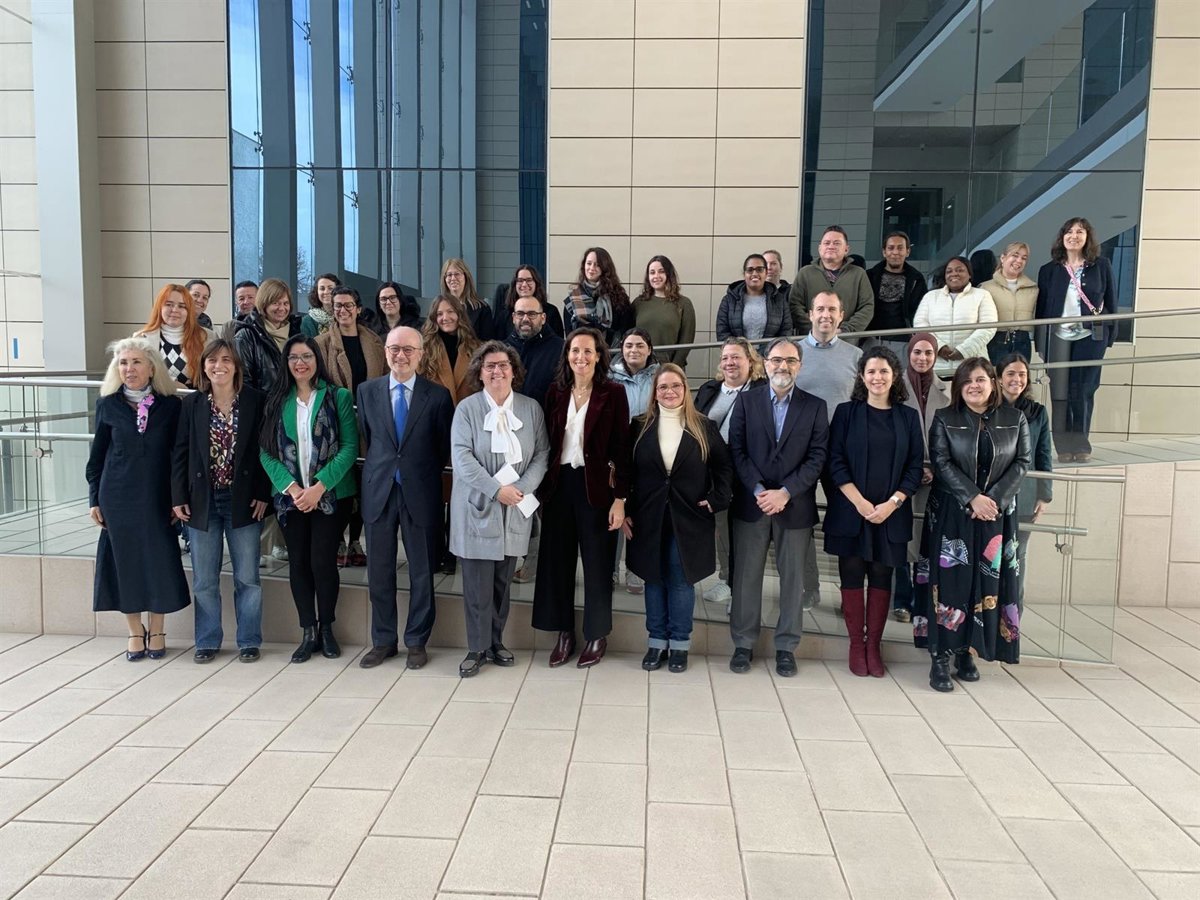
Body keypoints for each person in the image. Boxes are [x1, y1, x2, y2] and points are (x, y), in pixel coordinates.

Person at [916, 357, 1030, 692]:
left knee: (986, 584)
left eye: (980, 379)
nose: (974, 386)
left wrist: (992, 499)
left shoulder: (1015, 418)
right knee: (950, 584)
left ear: (993, 382)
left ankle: (968, 650)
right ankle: (940, 654)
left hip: (996, 515)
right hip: (953, 514)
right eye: (967, 382)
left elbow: (1023, 461)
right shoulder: (945, 417)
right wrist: (972, 498)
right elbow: (941, 461)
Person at [727, 337, 829, 677]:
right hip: (752, 502)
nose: (783, 366)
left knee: (793, 581)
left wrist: (785, 492)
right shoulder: (746, 401)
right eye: (776, 360)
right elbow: (737, 450)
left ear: (800, 365)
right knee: (746, 578)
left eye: (790, 360)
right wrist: (760, 490)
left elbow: (817, 457)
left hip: (794, 506)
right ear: (766, 363)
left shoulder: (815, 407)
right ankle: (743, 643)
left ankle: (786, 647)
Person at [449, 341, 550, 676]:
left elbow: (542, 454)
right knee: (477, 586)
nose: (497, 371)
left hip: (515, 507)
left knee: (502, 584)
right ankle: (476, 648)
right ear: (480, 372)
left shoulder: (531, 408)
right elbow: (462, 458)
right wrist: (496, 490)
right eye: (489, 366)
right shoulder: (466, 409)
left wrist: (520, 489)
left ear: (514, 371)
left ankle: (495, 642)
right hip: (479, 507)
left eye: (503, 365)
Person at [532, 327, 631, 669]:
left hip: (597, 490)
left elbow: (622, 448)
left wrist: (620, 499)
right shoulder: (555, 391)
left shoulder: (613, 392)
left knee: (598, 565)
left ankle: (596, 634)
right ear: (567, 355)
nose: (581, 357)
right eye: (575, 350)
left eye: (588, 351)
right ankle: (564, 633)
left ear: (599, 356)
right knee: (556, 564)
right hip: (559, 487)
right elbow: (546, 443)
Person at [356, 326, 454, 670]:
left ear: (420, 354)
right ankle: (383, 641)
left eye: (408, 349)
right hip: (379, 492)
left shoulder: (438, 396)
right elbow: (368, 438)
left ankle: (416, 641)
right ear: (385, 352)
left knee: (422, 572)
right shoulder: (366, 391)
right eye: (394, 348)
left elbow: (442, 447)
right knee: (379, 572)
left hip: (421, 492)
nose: (401, 355)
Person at [171, 332, 271, 663]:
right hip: (202, 500)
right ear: (203, 367)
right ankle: (207, 640)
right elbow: (180, 453)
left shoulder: (255, 401)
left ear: (236, 366)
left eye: (227, 359)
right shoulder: (192, 404)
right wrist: (178, 496)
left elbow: (266, 451)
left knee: (247, 577)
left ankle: (249, 640)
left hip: (244, 499)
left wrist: (262, 492)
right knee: (204, 579)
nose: (219, 365)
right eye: (212, 360)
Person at [625, 365, 732, 673]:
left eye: (675, 386)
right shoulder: (639, 425)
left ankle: (680, 644)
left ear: (685, 390)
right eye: (663, 387)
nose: (669, 391)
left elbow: (724, 468)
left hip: (690, 516)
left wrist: (716, 500)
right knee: (653, 578)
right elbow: (627, 471)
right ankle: (657, 641)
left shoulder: (703, 426)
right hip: (648, 516)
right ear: (654, 393)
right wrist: (626, 510)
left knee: (681, 578)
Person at [824, 347, 924, 677]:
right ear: (862, 376)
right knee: (852, 575)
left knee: (882, 576)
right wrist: (860, 503)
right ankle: (856, 645)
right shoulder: (845, 413)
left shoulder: (908, 417)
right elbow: (834, 461)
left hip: (891, 514)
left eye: (883, 371)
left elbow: (914, 468)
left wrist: (892, 503)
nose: (877, 377)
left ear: (894, 376)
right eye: (871, 371)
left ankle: (873, 646)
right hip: (851, 511)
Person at [88, 338, 189, 662]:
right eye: (123, 363)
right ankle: (134, 630)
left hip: (157, 497)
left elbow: (178, 457)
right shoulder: (107, 405)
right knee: (125, 563)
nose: (128, 369)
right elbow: (97, 458)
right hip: (117, 497)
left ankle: (157, 629)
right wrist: (94, 500)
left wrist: (178, 498)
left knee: (159, 560)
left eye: (135, 362)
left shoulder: (171, 406)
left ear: (151, 368)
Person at [259, 335, 359, 663]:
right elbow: (266, 451)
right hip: (291, 499)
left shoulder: (337, 397)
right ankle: (308, 631)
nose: (300, 363)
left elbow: (349, 448)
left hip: (330, 496)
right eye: (293, 358)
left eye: (306, 356)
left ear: (317, 359)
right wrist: (292, 489)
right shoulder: (276, 400)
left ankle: (327, 628)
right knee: (299, 563)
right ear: (286, 363)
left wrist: (318, 487)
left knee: (322, 562)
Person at [793, 291, 862, 612]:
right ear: (810, 314)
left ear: (841, 315)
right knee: (801, 522)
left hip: (842, 453)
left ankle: (849, 595)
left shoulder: (856, 356)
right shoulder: (793, 353)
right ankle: (810, 588)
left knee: (847, 521)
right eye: (820, 308)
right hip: (801, 452)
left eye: (832, 309)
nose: (826, 315)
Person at [1034, 217, 1118, 463]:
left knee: (1083, 390)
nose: (1074, 236)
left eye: (1080, 232)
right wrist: (1041, 344)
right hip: (1057, 337)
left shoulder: (1101, 265)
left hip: (1091, 336)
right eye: (1069, 232)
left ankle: (1081, 445)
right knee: (1060, 392)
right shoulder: (1049, 270)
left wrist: (1109, 337)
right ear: (1062, 237)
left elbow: (1111, 302)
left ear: (1087, 237)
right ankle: (1063, 447)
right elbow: (1042, 309)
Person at [315, 285, 388, 568]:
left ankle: (356, 540)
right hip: (334, 423)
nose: (343, 311)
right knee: (338, 481)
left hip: (368, 423)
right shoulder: (321, 343)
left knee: (362, 482)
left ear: (358, 309)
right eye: (338, 306)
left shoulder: (374, 342)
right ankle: (338, 540)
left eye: (348, 305)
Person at [694, 337, 766, 608]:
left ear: (751, 361)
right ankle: (727, 578)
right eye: (725, 358)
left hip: (747, 470)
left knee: (743, 532)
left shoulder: (761, 391)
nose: (730, 362)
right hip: (713, 471)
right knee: (721, 528)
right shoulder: (710, 389)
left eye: (736, 357)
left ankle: (741, 588)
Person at [893, 331, 950, 622]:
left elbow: (949, 438)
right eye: (917, 352)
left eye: (929, 353)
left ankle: (923, 600)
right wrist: (915, 468)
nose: (922, 358)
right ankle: (901, 599)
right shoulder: (894, 387)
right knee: (902, 539)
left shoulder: (947, 391)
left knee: (927, 540)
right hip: (901, 474)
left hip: (935, 478)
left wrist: (934, 469)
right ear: (909, 353)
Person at [997, 353, 1052, 613]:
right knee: (990, 556)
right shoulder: (987, 408)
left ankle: (1012, 616)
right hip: (993, 496)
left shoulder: (1038, 412)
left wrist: (1045, 495)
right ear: (999, 378)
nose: (1016, 379)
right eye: (1010, 373)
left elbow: (1044, 454)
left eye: (1021, 374)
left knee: (1016, 558)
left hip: (1025, 496)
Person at [609, 328, 660, 594]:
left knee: (640, 511)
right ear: (622, 349)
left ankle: (635, 570)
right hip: (617, 451)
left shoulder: (660, 375)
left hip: (649, 450)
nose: (634, 350)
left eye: (640, 345)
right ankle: (610, 569)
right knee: (614, 507)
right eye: (629, 345)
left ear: (649, 349)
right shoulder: (609, 376)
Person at [913, 256, 998, 378]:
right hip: (937, 367)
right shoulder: (930, 296)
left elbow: (988, 327)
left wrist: (964, 350)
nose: (954, 274)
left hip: (973, 367)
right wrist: (939, 347)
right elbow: (920, 324)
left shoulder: (982, 295)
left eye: (960, 270)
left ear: (969, 274)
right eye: (949, 271)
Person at [789, 225, 875, 338]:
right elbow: (795, 305)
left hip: (846, 340)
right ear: (819, 248)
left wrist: (846, 330)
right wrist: (815, 329)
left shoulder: (858, 274)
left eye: (836, 243)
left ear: (846, 249)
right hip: (811, 340)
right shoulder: (805, 273)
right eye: (827, 243)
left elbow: (867, 307)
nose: (831, 246)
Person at [234, 277, 304, 394]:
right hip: (263, 404)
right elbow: (243, 382)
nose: (282, 308)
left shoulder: (297, 332)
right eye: (276, 303)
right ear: (264, 304)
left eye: (285, 303)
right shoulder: (246, 336)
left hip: (295, 402)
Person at [136, 283, 209, 388]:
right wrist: (172, 383)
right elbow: (138, 375)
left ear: (189, 310)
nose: (175, 310)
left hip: (195, 397)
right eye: (169, 304)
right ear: (159, 307)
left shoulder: (207, 338)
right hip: (156, 396)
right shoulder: (141, 339)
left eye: (182, 306)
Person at [865, 231, 926, 356]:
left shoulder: (916, 279)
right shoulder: (869, 276)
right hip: (872, 338)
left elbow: (922, 311)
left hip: (903, 341)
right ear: (884, 252)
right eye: (891, 248)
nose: (895, 252)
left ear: (907, 251)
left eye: (900, 248)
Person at [562, 247, 634, 347]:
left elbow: (625, 331)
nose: (592, 268)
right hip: (582, 353)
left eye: (597, 265)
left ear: (605, 268)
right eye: (589, 263)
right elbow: (569, 335)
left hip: (613, 352)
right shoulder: (573, 299)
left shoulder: (619, 298)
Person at [418, 293, 482, 405]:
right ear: (434, 318)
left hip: (468, 412)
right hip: (435, 411)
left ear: (459, 314)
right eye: (439, 314)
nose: (445, 318)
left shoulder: (477, 349)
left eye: (450, 311)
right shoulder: (423, 349)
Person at [632, 255, 696, 367]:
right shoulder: (638, 303)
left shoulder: (683, 304)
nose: (656, 276)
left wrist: (673, 367)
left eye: (661, 271)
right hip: (640, 367)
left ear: (669, 274)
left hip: (670, 366)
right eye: (652, 272)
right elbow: (629, 335)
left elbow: (686, 340)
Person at [981, 242, 1037, 365]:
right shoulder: (985, 287)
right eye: (1015, 255)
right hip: (996, 340)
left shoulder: (1033, 288)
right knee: (996, 375)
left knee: (1020, 376)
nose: (1019, 261)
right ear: (1003, 258)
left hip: (1023, 341)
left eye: (1024, 258)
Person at [715, 254, 792, 343]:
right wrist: (742, 350)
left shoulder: (779, 300)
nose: (755, 274)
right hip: (738, 351)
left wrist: (770, 351)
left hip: (770, 352)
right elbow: (722, 332)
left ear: (766, 273)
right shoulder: (729, 300)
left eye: (760, 269)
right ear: (744, 274)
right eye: (750, 270)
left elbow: (786, 331)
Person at [495, 265, 565, 339]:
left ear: (536, 283)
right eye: (520, 280)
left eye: (529, 280)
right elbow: (499, 343)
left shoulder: (551, 312)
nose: (524, 284)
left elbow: (558, 342)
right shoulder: (504, 315)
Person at [441, 257, 495, 342]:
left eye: (457, 274)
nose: (453, 278)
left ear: (466, 277)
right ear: (444, 279)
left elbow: (487, 343)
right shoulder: (438, 307)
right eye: (449, 275)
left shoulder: (482, 308)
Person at [300, 272, 340, 338]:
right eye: (322, 289)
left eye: (330, 288)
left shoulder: (344, 316)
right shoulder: (307, 321)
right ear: (316, 292)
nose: (326, 292)